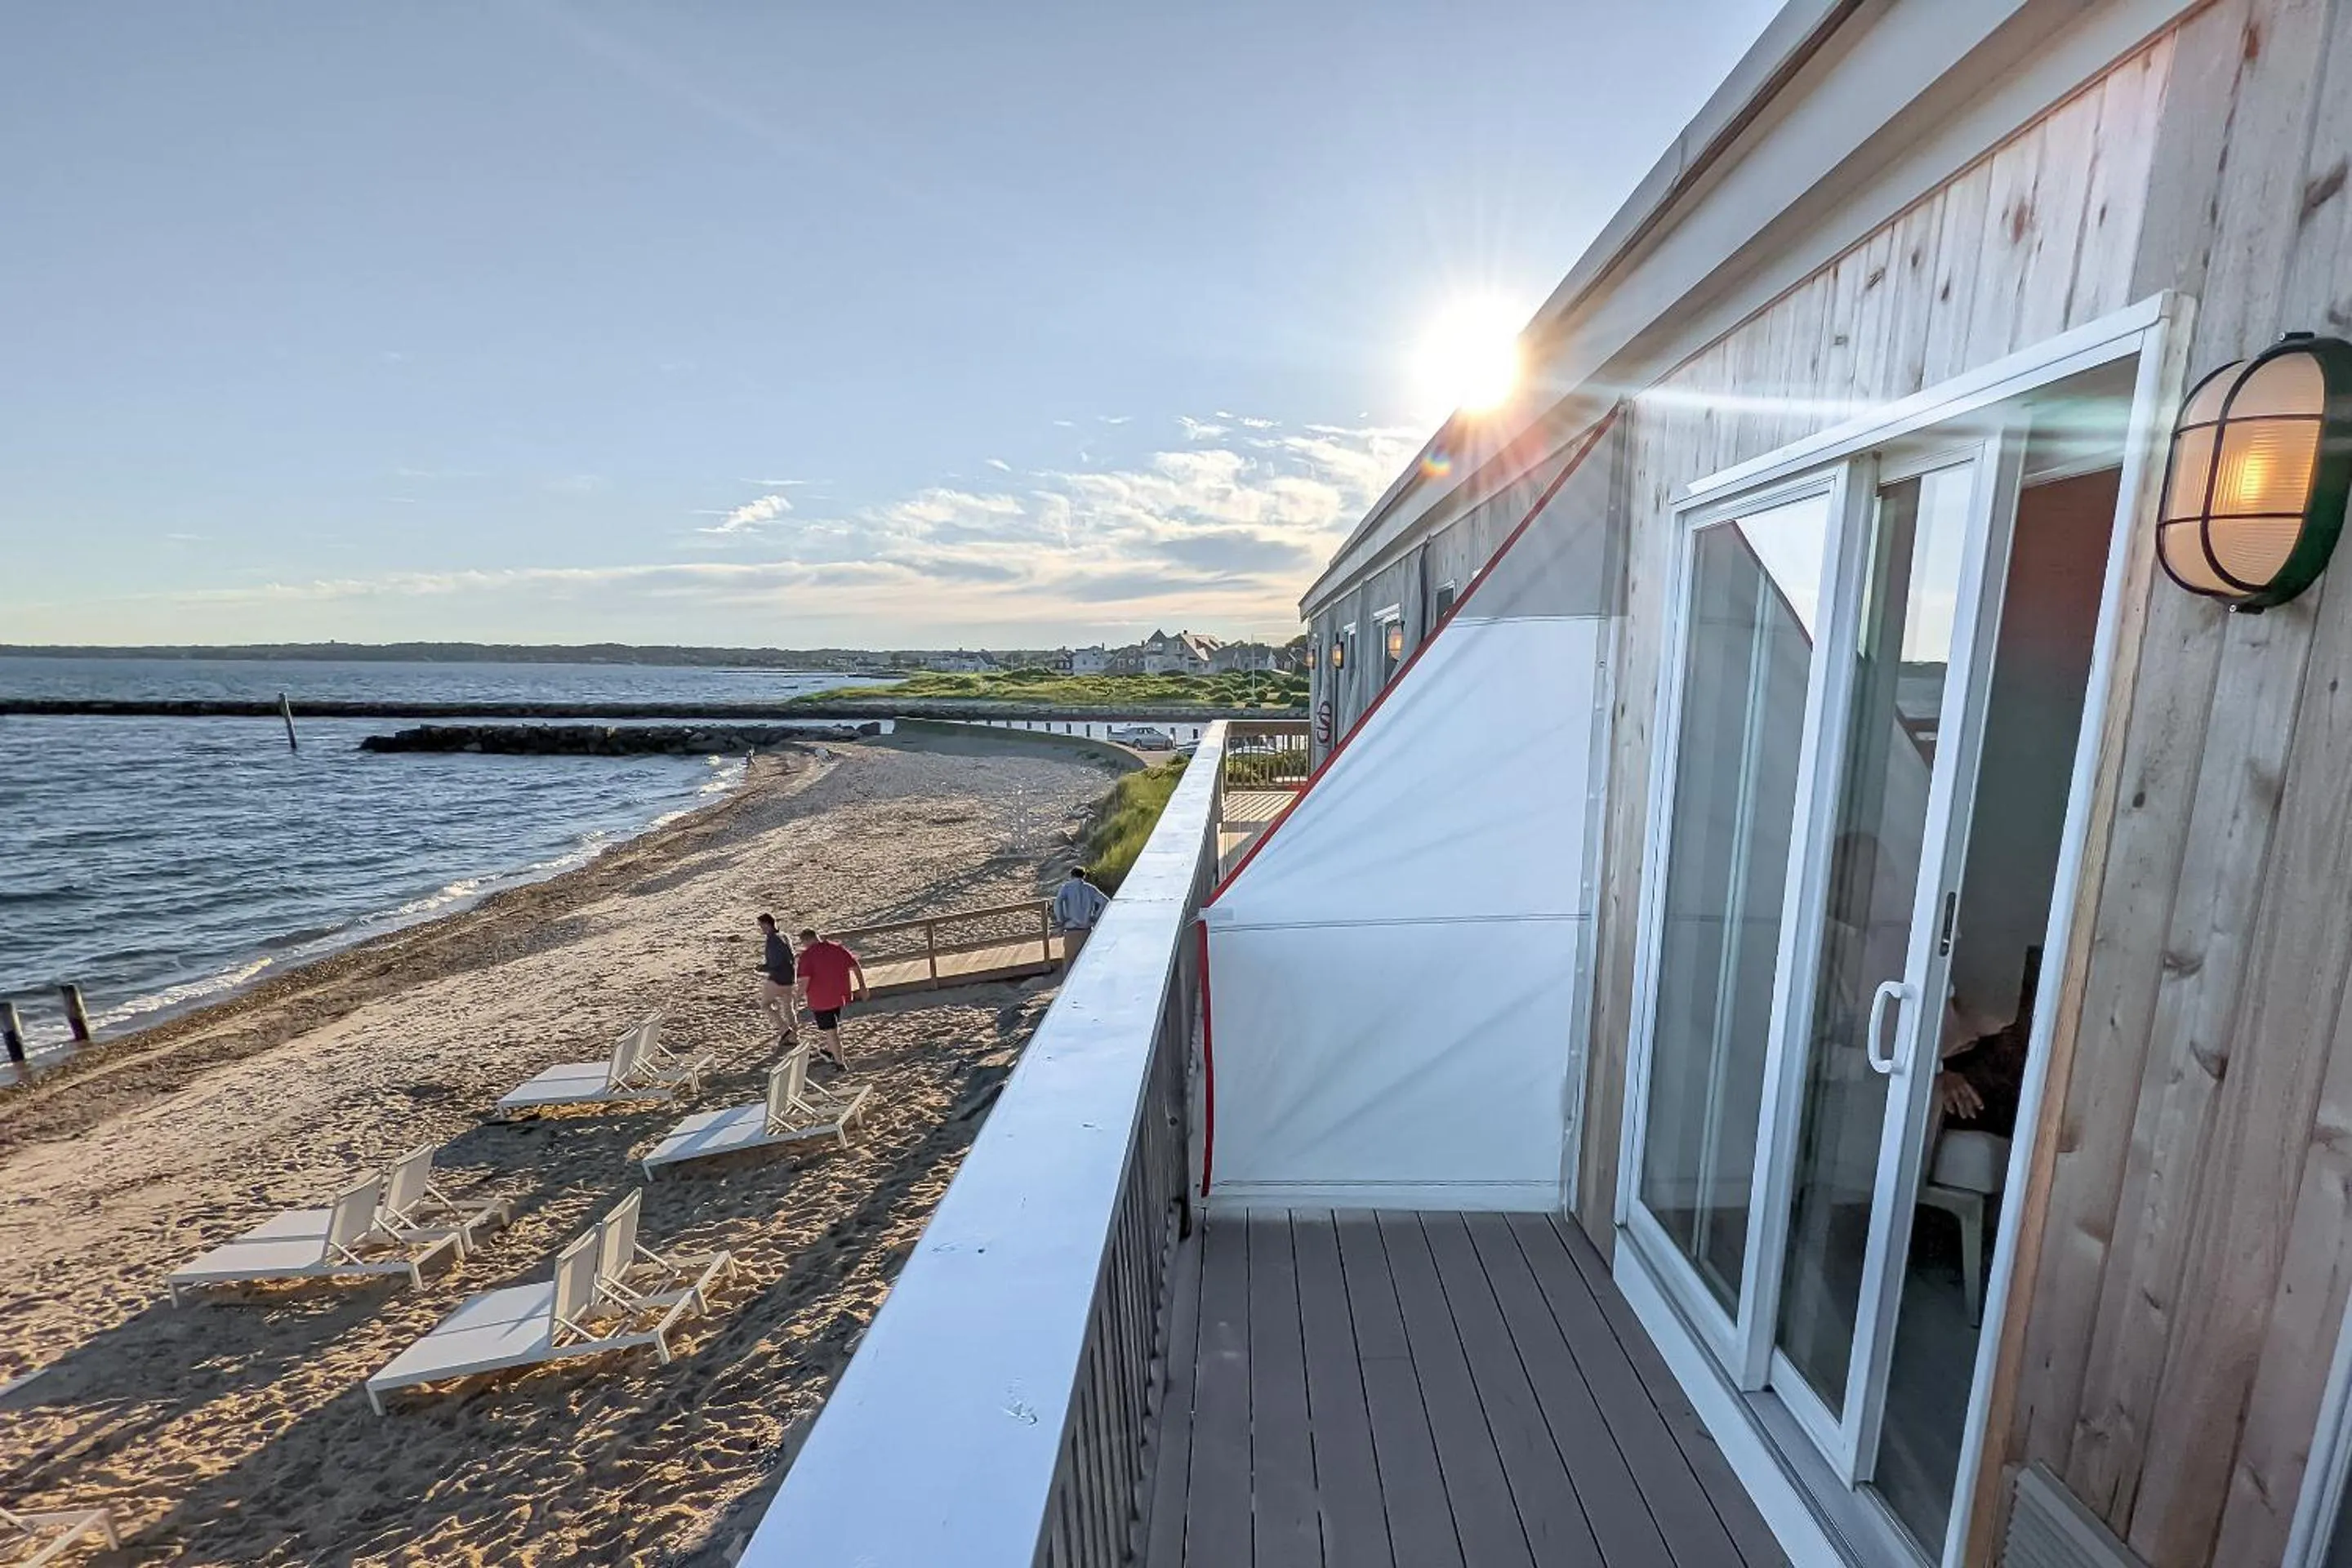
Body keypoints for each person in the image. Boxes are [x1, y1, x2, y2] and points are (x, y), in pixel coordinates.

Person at [796, 927, 866, 1068]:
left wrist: (796, 998)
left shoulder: (807, 956)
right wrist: (862, 986)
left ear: (805, 941)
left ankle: (840, 1063)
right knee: (832, 1027)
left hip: (820, 999)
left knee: (831, 1031)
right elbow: (855, 966)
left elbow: (804, 981)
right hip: (839, 996)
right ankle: (830, 1051)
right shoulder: (836, 948)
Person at [755, 913, 799, 1045]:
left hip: (777, 978)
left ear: (767, 925)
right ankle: (794, 1037)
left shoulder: (773, 940)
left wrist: (762, 968)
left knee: (765, 1005)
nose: (761, 928)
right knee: (788, 1008)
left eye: (761, 925)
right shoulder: (784, 936)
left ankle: (785, 1030)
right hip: (790, 977)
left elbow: (774, 964)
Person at [1054, 866, 1110, 969]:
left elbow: (1058, 903)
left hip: (1071, 929)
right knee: (1087, 962)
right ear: (1084, 876)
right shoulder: (1090, 888)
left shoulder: (1066, 887)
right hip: (1087, 930)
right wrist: (1095, 917)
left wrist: (1060, 919)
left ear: (1071, 875)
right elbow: (1105, 902)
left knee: (1069, 962)